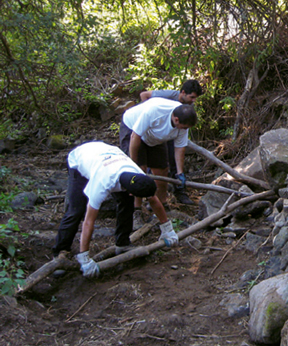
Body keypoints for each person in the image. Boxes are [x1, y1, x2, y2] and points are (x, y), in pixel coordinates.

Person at [52, 141, 179, 278]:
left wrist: (167, 229)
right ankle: (60, 252)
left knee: (126, 203)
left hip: (105, 155)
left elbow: (153, 200)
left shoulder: (136, 174)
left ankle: (122, 243)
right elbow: (89, 221)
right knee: (75, 211)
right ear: (131, 192)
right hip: (80, 160)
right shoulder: (102, 183)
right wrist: (84, 257)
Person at [120, 97, 197, 225]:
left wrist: (180, 172)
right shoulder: (155, 111)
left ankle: (161, 204)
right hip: (133, 130)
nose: (184, 130)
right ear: (176, 120)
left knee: (162, 171)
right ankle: (137, 209)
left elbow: (179, 148)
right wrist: (133, 165)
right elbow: (135, 136)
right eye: (183, 127)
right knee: (140, 172)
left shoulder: (184, 121)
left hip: (155, 137)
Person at [139, 80, 202, 205]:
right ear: (183, 92)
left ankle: (179, 191)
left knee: (175, 161)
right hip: (158, 131)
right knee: (156, 163)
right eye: (192, 97)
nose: (194, 100)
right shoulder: (167, 95)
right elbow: (144, 95)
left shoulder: (188, 106)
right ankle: (150, 197)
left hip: (175, 132)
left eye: (196, 98)